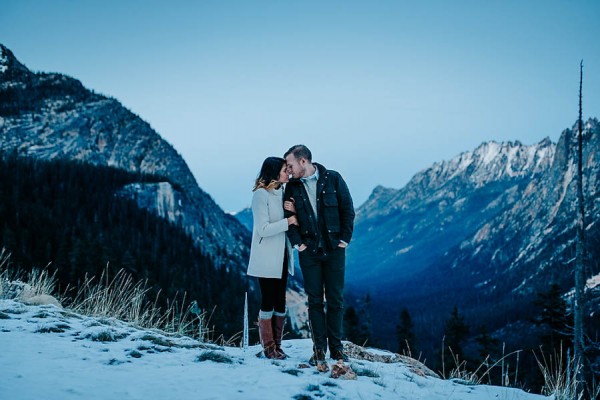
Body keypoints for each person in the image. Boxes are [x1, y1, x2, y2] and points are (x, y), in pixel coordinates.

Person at [283, 144, 355, 371]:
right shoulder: (292, 188)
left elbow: (347, 209)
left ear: (303, 161)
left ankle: (336, 349)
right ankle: (318, 350)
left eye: (290, 164)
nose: (289, 169)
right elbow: (288, 218)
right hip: (310, 253)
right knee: (314, 301)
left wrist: (345, 239)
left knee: (335, 300)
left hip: (335, 250)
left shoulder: (333, 179)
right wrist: (298, 244)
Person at [247, 157, 298, 359]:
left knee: (280, 302)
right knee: (268, 301)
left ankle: (277, 345)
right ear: (274, 172)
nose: (288, 172)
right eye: (285, 170)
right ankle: (269, 347)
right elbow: (263, 229)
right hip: (267, 258)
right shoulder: (260, 195)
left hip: (282, 256)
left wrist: (292, 213)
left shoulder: (282, 192)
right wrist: (289, 221)